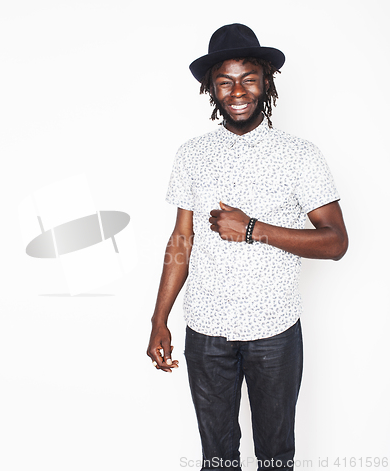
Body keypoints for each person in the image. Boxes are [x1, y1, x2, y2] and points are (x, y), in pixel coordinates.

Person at [146, 23, 348, 471]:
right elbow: (182, 239)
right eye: (225, 81)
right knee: (217, 459)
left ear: (267, 82)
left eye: (248, 78)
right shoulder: (191, 154)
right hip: (206, 330)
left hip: (274, 332)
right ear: (211, 89)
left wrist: (253, 228)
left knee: (276, 458)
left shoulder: (300, 155)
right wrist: (160, 318)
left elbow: (336, 242)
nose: (238, 90)